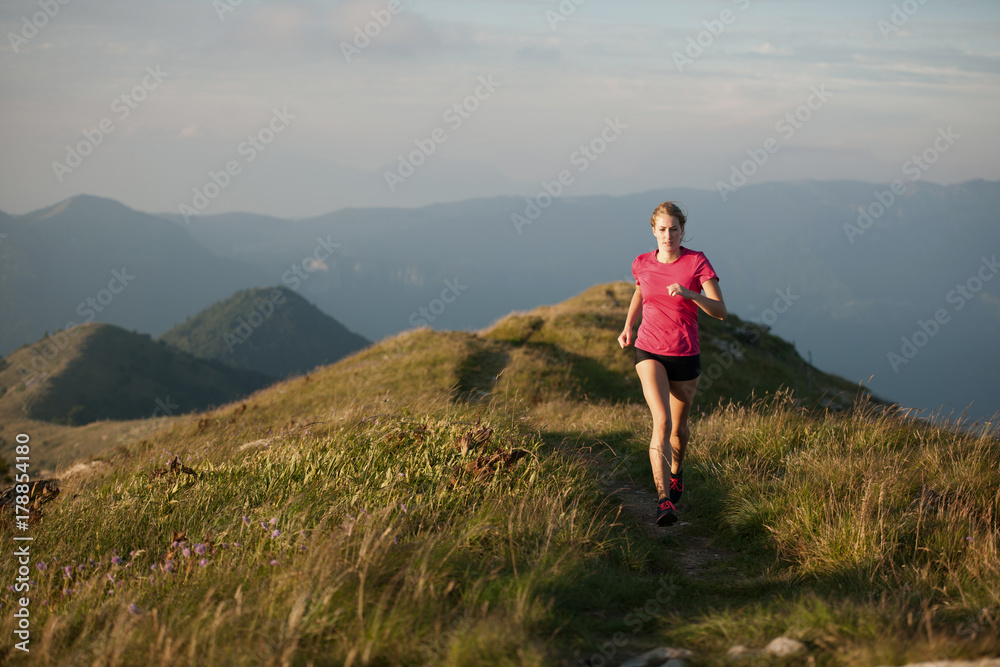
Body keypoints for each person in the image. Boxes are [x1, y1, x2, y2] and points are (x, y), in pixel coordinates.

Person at [617, 202, 727, 526]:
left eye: (674, 229)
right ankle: (664, 500)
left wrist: (690, 294)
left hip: (685, 353)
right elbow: (641, 292)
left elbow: (721, 311)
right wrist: (628, 326)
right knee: (661, 422)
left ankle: (677, 472)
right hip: (648, 348)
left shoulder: (696, 262)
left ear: (683, 230)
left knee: (679, 431)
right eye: (662, 230)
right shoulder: (641, 263)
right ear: (653, 230)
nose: (668, 236)